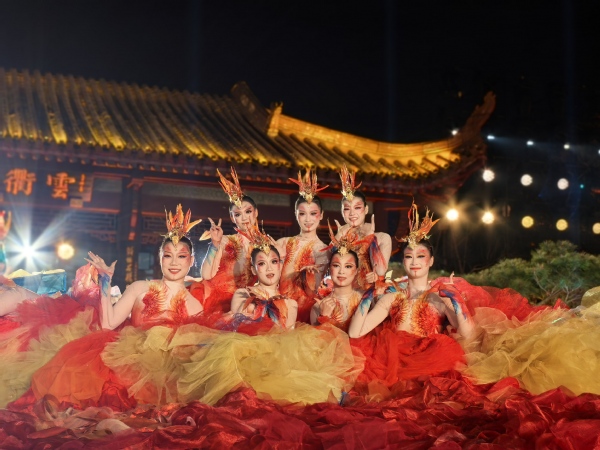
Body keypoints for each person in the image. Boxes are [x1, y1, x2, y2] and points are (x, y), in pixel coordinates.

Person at [27, 204, 205, 408]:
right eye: (168, 255)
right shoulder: (140, 287)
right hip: (125, 364)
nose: (174, 262)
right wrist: (105, 280)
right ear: (160, 258)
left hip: (167, 379)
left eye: (181, 256)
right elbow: (108, 324)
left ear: (191, 260)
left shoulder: (195, 305)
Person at [348, 203, 473, 398]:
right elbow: (355, 333)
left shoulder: (440, 297)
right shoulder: (392, 296)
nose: (414, 262)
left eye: (420, 256)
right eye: (408, 256)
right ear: (403, 261)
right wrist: (368, 294)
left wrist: (456, 300)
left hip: (431, 367)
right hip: (391, 368)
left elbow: (468, 335)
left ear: (431, 261)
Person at [189, 167, 258, 314]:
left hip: (247, 302)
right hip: (219, 304)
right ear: (232, 218)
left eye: (248, 211)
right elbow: (206, 275)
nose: (244, 218)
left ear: (256, 212)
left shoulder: (265, 244)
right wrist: (215, 244)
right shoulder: (225, 241)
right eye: (238, 214)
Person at [276, 170, 330, 323]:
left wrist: (307, 276)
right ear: (296, 214)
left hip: (305, 314)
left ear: (321, 215)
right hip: (279, 309)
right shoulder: (283, 243)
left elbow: (311, 291)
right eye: (302, 213)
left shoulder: (324, 251)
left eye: (313, 213)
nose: (308, 219)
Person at [335, 165, 392, 291]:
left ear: (366, 209)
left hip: (369, 293)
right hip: (344, 292)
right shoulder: (340, 237)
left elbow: (381, 270)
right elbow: (328, 267)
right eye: (347, 209)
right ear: (342, 212)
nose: (352, 213)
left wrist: (370, 240)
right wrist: (338, 238)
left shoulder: (382, 238)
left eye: (357, 207)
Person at [310, 225, 365, 332]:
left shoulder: (365, 300)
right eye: (336, 265)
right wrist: (324, 316)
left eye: (348, 266)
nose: (341, 271)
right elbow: (316, 341)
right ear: (329, 268)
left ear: (356, 271)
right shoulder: (318, 306)